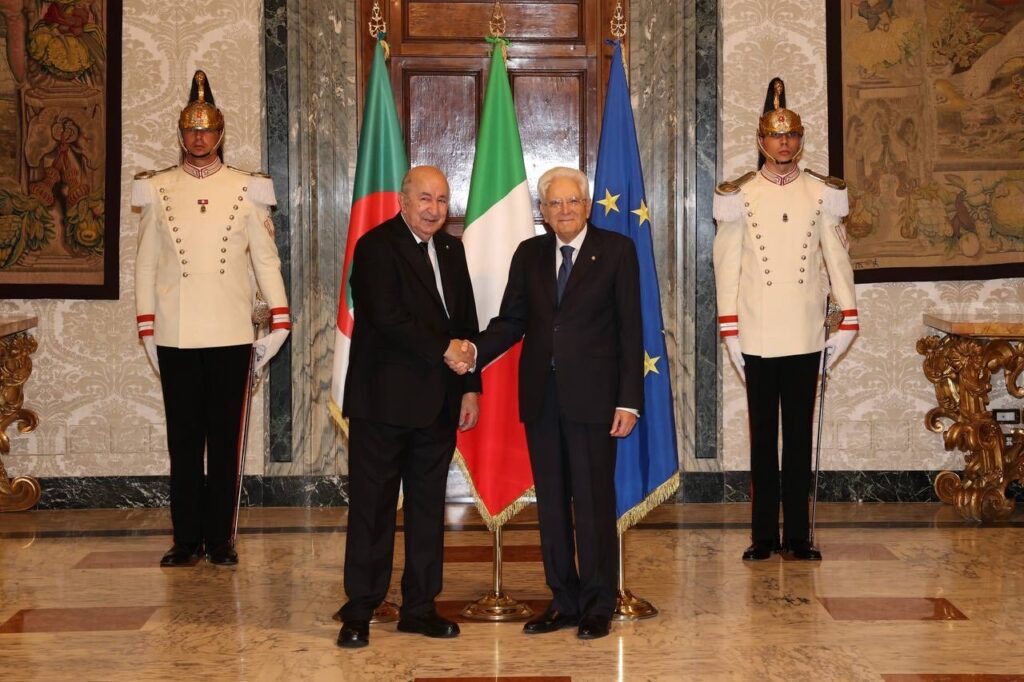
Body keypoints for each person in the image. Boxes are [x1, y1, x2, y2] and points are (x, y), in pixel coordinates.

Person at [448, 166, 642, 640]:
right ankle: (563, 600)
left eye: (572, 201)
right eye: (555, 203)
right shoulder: (529, 253)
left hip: (596, 400)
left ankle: (597, 603)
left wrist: (629, 401)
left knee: (593, 504)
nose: (564, 210)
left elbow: (630, 329)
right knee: (552, 505)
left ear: (587, 205)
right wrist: (473, 350)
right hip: (542, 398)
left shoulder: (616, 251)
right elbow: (512, 321)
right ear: (543, 211)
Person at [133, 70, 291, 567]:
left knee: (225, 442)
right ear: (181, 134)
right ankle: (185, 540)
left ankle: (221, 539)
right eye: (190, 130)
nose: (198, 138)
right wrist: (146, 326)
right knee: (183, 442)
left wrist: (280, 320)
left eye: (206, 130)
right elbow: (145, 264)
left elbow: (265, 259)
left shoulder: (248, 187)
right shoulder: (157, 188)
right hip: (176, 332)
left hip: (230, 331)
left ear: (220, 133)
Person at [712, 77, 859, 562]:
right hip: (755, 333)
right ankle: (762, 537)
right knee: (763, 442)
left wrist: (848, 319)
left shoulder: (821, 192)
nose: (783, 143)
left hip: (804, 332)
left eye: (791, 135)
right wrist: (730, 329)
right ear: (761, 141)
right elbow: (726, 266)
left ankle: (797, 536)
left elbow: (837, 260)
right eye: (775, 136)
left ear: (800, 140)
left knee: (798, 438)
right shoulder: (740, 194)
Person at [336, 165, 481, 649]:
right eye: (424, 198)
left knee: (427, 510)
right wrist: (444, 349)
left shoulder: (452, 249)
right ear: (403, 200)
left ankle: (420, 608)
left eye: (441, 200)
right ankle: (360, 610)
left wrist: (470, 386)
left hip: (437, 404)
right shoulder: (376, 246)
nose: (433, 209)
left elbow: (465, 321)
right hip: (382, 403)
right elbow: (387, 317)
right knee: (372, 510)